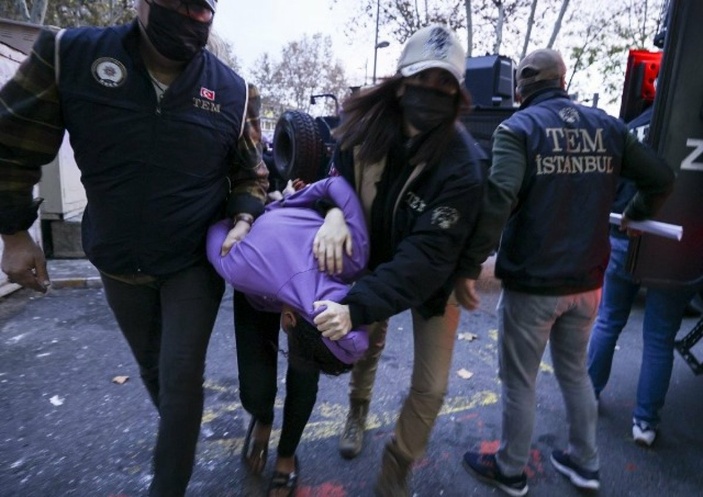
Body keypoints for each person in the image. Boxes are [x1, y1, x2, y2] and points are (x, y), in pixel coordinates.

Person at [0, 1, 268, 495]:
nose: (187, 15)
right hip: (118, 259)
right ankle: (179, 433)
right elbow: (11, 144)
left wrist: (245, 215)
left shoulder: (233, 90)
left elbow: (250, 171)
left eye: (199, 7)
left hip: (192, 262)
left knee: (182, 374)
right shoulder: (69, 56)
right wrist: (15, 233)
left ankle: (168, 482)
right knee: (155, 371)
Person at [457, 48, 675, 496]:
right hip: (588, 283)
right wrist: (635, 213)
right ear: (563, 78)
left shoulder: (517, 129)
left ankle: (511, 470)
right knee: (574, 373)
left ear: (521, 87)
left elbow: (499, 197)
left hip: (534, 284)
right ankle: (585, 463)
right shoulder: (608, 127)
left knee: (520, 379)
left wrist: (468, 263)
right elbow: (661, 177)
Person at [310, 25, 486, 496]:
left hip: (431, 276)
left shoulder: (462, 164)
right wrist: (332, 214)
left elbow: (426, 259)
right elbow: (333, 187)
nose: (433, 91)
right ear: (400, 81)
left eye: (445, 83)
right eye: (423, 79)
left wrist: (355, 305)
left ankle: (398, 464)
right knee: (367, 347)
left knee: (432, 385)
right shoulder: (360, 131)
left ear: (457, 92)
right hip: (372, 259)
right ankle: (358, 408)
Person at [211, 177, 368, 497]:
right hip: (258, 276)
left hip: (273, 272)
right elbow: (217, 234)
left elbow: (336, 187)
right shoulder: (243, 266)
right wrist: (252, 219)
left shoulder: (356, 254)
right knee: (255, 385)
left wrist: (335, 213)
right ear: (288, 321)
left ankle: (286, 454)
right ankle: (263, 418)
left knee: (304, 380)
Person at [587, 105, 698, 447]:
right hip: (676, 248)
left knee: (608, 321)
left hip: (624, 236)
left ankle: (588, 395)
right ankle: (645, 423)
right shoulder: (691, 131)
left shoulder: (631, 128)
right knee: (660, 339)